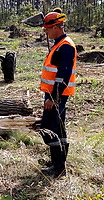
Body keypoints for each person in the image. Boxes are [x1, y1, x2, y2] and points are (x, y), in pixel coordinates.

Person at [39, 10, 77, 178]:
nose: (46, 32)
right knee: (59, 128)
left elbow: (64, 74)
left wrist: (53, 98)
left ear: (56, 27)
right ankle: (58, 163)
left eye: (47, 29)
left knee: (50, 128)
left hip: (57, 94)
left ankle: (58, 166)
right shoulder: (59, 43)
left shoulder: (66, 46)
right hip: (54, 93)